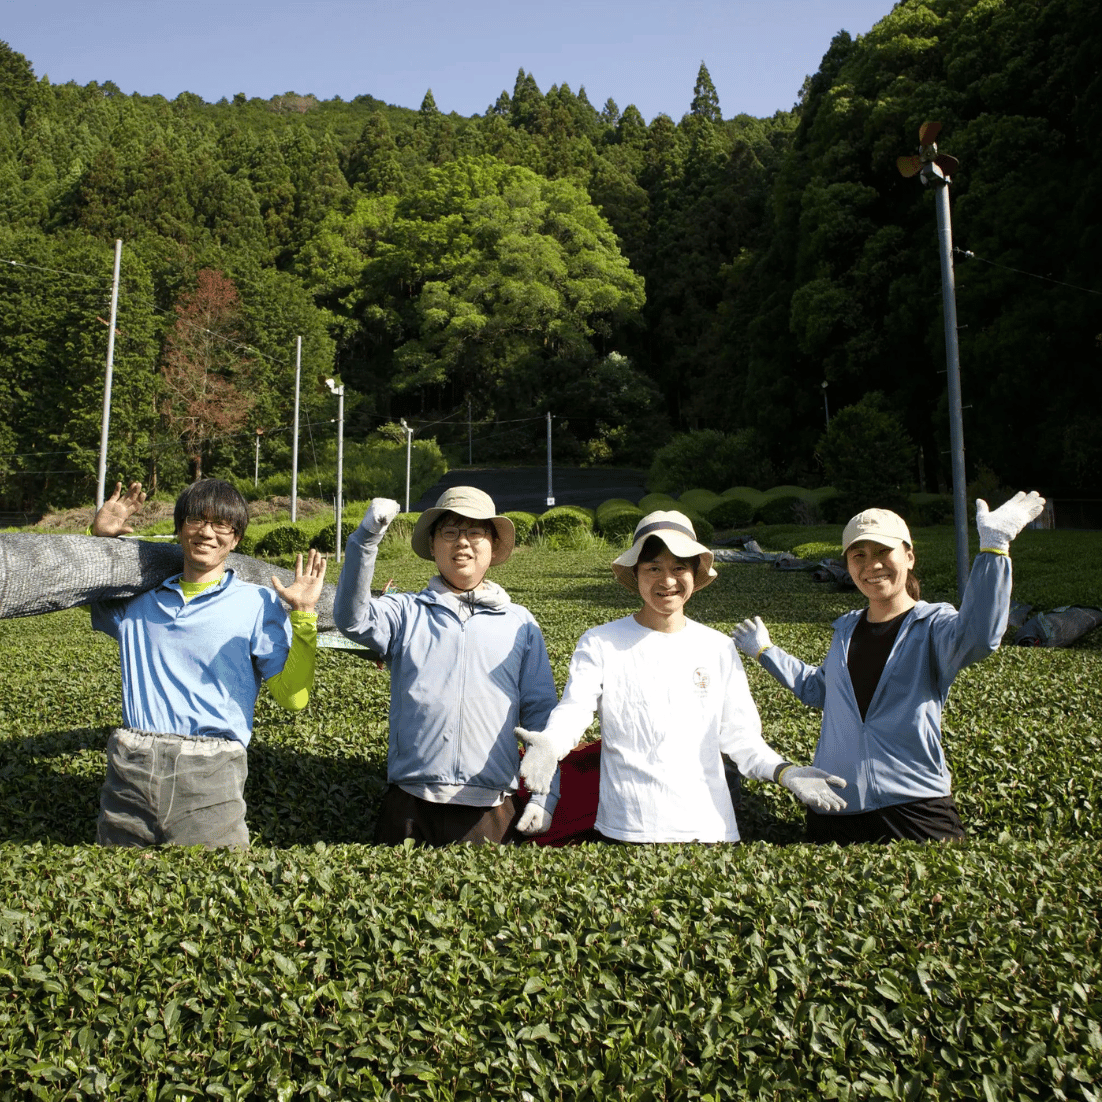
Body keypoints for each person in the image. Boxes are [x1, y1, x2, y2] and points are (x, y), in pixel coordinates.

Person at [730, 491, 1045, 845]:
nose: (872, 564)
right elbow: (818, 690)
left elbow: (979, 636)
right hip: (836, 805)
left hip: (913, 804)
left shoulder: (934, 625)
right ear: (848, 564)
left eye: (883, 552)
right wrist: (765, 651)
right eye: (859, 555)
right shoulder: (846, 630)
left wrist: (994, 549)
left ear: (908, 556)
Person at [517, 511, 847, 844]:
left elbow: (741, 738)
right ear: (636, 574)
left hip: (709, 830)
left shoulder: (717, 647)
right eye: (653, 568)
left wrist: (785, 771)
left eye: (679, 568)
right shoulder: (601, 641)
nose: (668, 581)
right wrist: (552, 743)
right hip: (626, 828)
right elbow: (575, 709)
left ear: (694, 573)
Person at [90, 479, 326, 848]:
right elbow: (92, 586)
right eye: (196, 520)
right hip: (132, 768)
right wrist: (100, 538)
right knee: (118, 886)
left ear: (236, 539)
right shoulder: (136, 601)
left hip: (212, 770)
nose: (206, 533)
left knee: (215, 888)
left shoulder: (257, 602)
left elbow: (293, 698)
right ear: (180, 528)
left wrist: (304, 615)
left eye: (222, 525)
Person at [333, 487, 560, 846]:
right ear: (434, 544)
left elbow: (541, 714)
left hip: (490, 805)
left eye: (475, 532)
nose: (463, 544)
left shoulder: (520, 623)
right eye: (450, 533)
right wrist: (366, 538)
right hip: (410, 800)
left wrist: (546, 796)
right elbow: (352, 619)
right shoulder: (405, 611)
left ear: (492, 545)